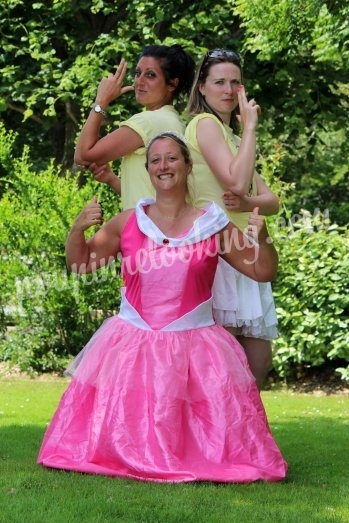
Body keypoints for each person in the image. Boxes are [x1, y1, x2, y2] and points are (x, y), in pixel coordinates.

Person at [37, 132, 287, 483]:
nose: (163, 166)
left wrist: (263, 239)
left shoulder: (213, 224)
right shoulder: (127, 222)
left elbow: (262, 270)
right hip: (132, 343)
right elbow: (81, 264)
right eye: (155, 160)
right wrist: (77, 229)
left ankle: (185, 455)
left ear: (187, 166)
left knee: (205, 434)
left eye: (172, 158)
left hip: (196, 345)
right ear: (148, 168)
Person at [185, 49, 280, 389]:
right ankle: (214, 439)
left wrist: (246, 202)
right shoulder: (205, 124)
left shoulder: (235, 138)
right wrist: (252, 126)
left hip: (248, 250)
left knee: (258, 363)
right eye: (219, 82)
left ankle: (244, 438)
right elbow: (235, 181)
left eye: (235, 83)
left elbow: (271, 202)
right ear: (202, 88)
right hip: (218, 251)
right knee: (221, 362)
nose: (228, 90)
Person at [74, 44, 195, 210]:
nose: (140, 81)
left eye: (150, 75)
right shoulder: (174, 121)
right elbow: (147, 198)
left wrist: (101, 101)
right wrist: (112, 179)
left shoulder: (150, 121)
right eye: (138, 73)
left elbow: (83, 156)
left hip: (147, 233)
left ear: (172, 84)